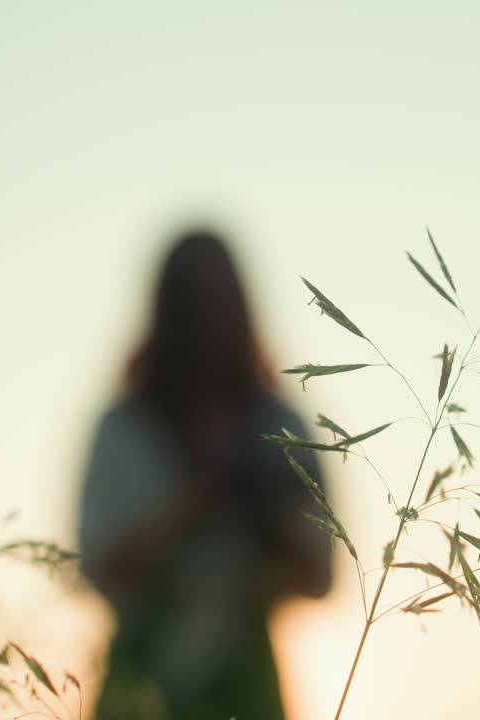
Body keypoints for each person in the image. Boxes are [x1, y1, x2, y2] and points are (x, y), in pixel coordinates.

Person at [78, 228, 332, 720]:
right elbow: (95, 566)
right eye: (192, 305)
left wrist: (265, 514)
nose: (208, 323)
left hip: (247, 680)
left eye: (220, 302)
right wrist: (188, 507)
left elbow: (321, 579)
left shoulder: (279, 427)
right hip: (140, 678)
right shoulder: (124, 429)